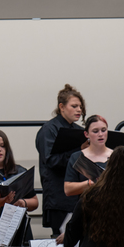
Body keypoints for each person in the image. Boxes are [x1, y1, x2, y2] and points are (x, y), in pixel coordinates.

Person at [35, 84, 85, 236]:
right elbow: (51, 161)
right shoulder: (49, 129)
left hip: (78, 196)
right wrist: (79, 151)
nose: (79, 110)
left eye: (80, 107)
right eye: (74, 106)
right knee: (62, 242)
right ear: (62, 107)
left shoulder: (79, 130)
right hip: (59, 197)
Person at [64, 115, 113, 197]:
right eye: (95, 131)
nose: (100, 134)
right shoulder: (77, 157)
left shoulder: (116, 156)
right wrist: (90, 183)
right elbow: (68, 189)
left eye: (103, 130)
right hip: (86, 205)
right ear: (86, 134)